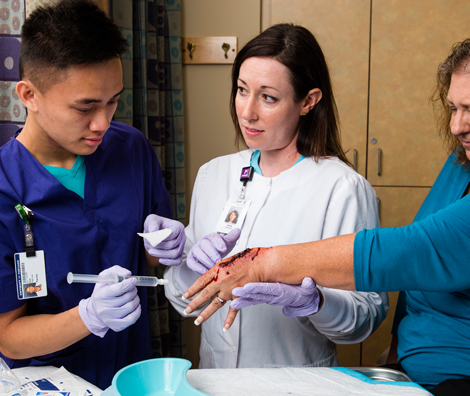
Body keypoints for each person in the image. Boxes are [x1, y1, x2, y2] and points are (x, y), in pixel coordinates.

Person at [182, 26, 470, 396]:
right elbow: (420, 280)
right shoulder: (466, 163)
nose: (457, 126)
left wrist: (264, 263)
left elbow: (422, 252)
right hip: (426, 371)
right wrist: (400, 351)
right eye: (454, 108)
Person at [0, 0, 185, 389]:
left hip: (129, 375)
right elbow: (9, 334)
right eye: (85, 107)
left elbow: (147, 256)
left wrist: (164, 245)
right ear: (29, 95)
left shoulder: (130, 149)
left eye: (113, 101)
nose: (103, 122)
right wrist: (88, 316)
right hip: (45, 384)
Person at [162, 24, 387, 369]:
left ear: (308, 102)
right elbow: (184, 301)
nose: (247, 112)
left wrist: (315, 301)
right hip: (214, 383)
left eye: (268, 97)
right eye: (241, 90)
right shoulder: (213, 174)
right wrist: (188, 269)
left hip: (295, 386)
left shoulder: (342, 189)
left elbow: (366, 316)